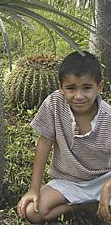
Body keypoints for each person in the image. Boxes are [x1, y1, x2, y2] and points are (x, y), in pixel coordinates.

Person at [16, 51, 111, 224]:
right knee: (32, 211)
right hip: (68, 181)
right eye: (71, 88)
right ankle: (85, 205)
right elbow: (44, 143)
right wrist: (33, 189)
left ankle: (97, 201)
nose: (79, 96)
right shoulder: (54, 104)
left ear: (100, 86)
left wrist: (107, 186)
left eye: (87, 88)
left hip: (104, 179)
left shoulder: (108, 117)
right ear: (61, 87)